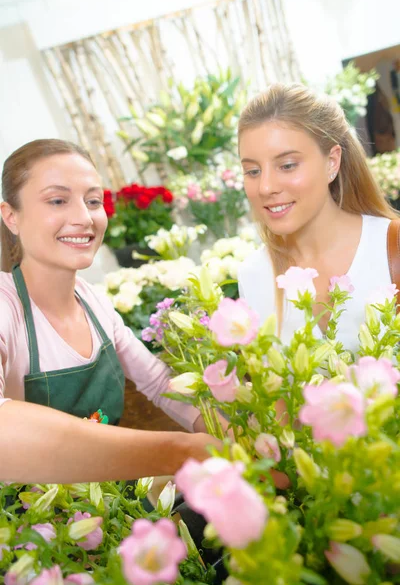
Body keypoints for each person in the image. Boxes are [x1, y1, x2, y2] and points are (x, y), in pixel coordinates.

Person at [0, 139, 220, 483]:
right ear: (11, 216)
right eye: (58, 200)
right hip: (30, 526)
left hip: (112, 504)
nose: (83, 217)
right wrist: (178, 451)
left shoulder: (94, 302)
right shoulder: (5, 307)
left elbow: (160, 382)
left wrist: (235, 434)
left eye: (92, 201)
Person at [237, 83, 399, 350]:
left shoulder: (391, 247)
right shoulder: (253, 276)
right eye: (253, 171)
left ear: (332, 162)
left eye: (287, 166)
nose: (265, 187)